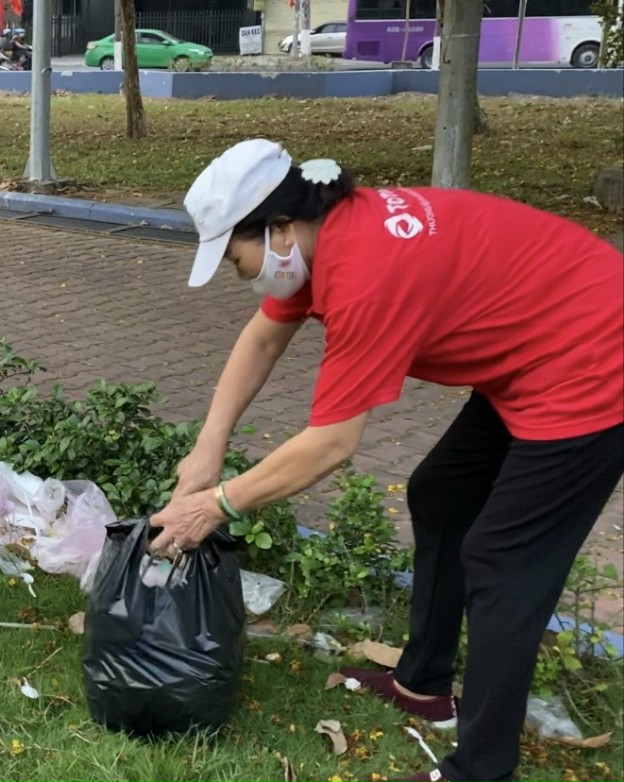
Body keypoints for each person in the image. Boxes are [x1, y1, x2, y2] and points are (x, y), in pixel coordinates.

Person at [150, 138, 623, 782]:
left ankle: (482, 771)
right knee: (442, 495)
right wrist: (209, 448)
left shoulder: (365, 275)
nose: (242, 275)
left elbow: (332, 445)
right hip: (538, 344)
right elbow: (263, 337)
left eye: (238, 259)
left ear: (280, 226)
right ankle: (425, 684)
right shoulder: (325, 238)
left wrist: (217, 504)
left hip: (594, 356)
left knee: (504, 559)